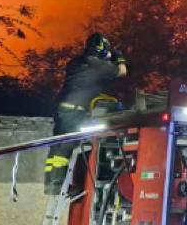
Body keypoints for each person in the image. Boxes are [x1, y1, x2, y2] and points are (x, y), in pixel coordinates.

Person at [43, 32, 127, 194]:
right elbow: (122, 71)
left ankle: (51, 184)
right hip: (76, 111)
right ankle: (60, 185)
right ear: (102, 49)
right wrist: (119, 57)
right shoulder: (99, 66)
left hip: (61, 108)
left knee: (57, 146)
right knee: (68, 145)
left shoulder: (75, 62)